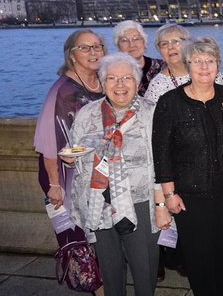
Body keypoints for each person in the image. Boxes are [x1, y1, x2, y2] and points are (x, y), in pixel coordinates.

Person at [152, 37, 223, 295]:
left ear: (218, 65)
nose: (204, 67)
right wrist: (167, 195)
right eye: (197, 61)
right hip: (189, 199)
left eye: (210, 61)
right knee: (198, 261)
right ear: (188, 65)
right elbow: (162, 154)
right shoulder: (170, 103)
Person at [66, 53, 160, 296]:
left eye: (127, 78)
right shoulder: (87, 114)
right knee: (109, 269)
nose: (120, 84)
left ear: (138, 82)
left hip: (140, 203)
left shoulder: (152, 114)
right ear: (103, 82)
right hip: (99, 202)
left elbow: (164, 163)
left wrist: (162, 205)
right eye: (112, 78)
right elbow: (76, 159)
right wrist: (69, 158)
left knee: (145, 268)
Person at [33, 30, 106, 296]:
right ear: (71, 54)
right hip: (66, 176)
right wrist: (55, 185)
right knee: (83, 245)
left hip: (97, 175)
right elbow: (48, 143)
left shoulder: (103, 81)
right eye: (85, 48)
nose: (94, 52)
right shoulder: (61, 91)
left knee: (101, 242)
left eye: (97, 46)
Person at [112, 20, 166, 96]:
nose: (132, 45)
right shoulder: (112, 72)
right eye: (124, 40)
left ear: (144, 42)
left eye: (136, 39)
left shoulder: (162, 67)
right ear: (118, 47)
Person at [144, 24, 192, 103]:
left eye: (176, 41)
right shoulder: (157, 86)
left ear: (188, 44)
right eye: (164, 44)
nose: (170, 47)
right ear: (160, 51)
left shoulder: (206, 71)